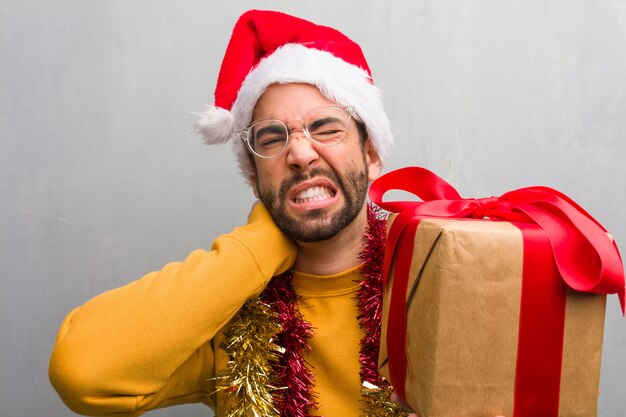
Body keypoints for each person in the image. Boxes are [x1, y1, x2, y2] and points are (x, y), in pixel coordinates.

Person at [48, 10, 412, 417]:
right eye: (272, 138)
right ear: (254, 177)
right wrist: (259, 245)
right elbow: (81, 371)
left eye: (326, 128)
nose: (300, 153)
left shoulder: (427, 277)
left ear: (371, 153)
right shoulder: (232, 315)